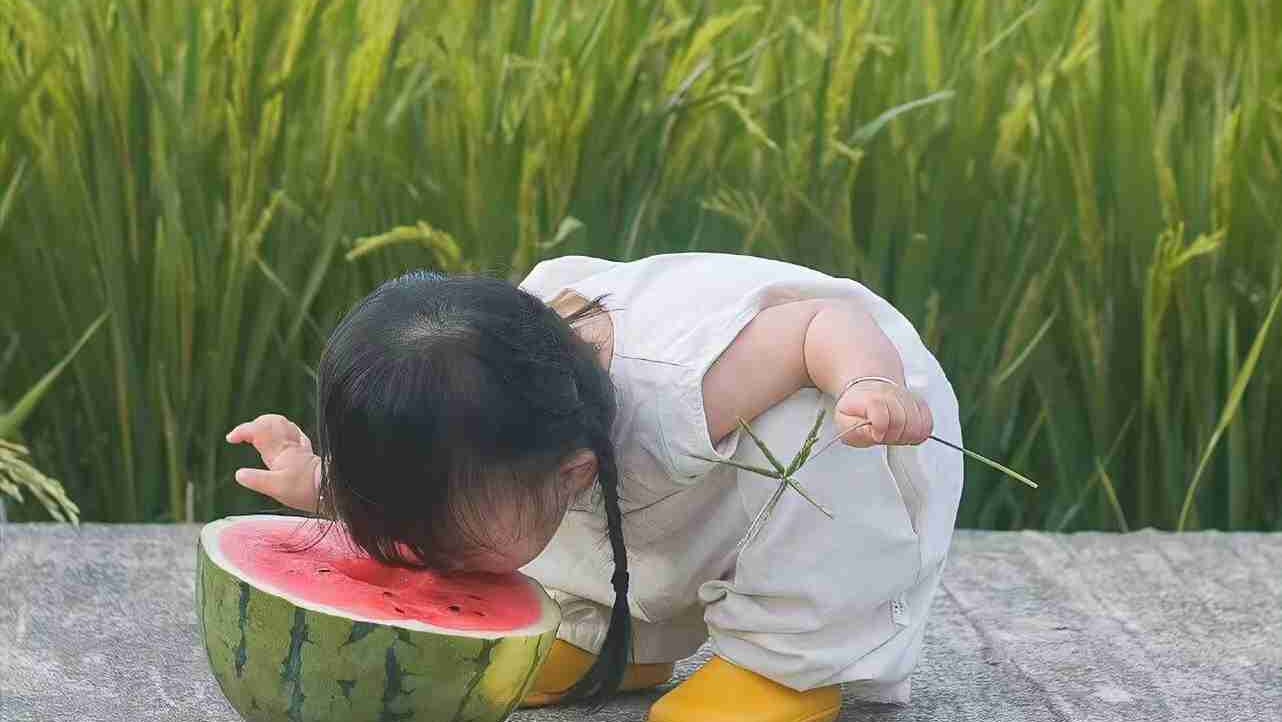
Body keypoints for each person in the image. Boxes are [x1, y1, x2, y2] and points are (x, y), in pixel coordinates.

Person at [226, 252, 963, 722]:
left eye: (449, 548)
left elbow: (822, 323)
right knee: (543, 509)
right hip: (592, 451)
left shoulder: (684, 390)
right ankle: (606, 637)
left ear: (573, 471)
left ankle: (785, 668)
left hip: (854, 401)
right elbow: (428, 479)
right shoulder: (502, 401)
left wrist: (871, 384)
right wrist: (325, 482)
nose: (436, 569)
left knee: (811, 442)